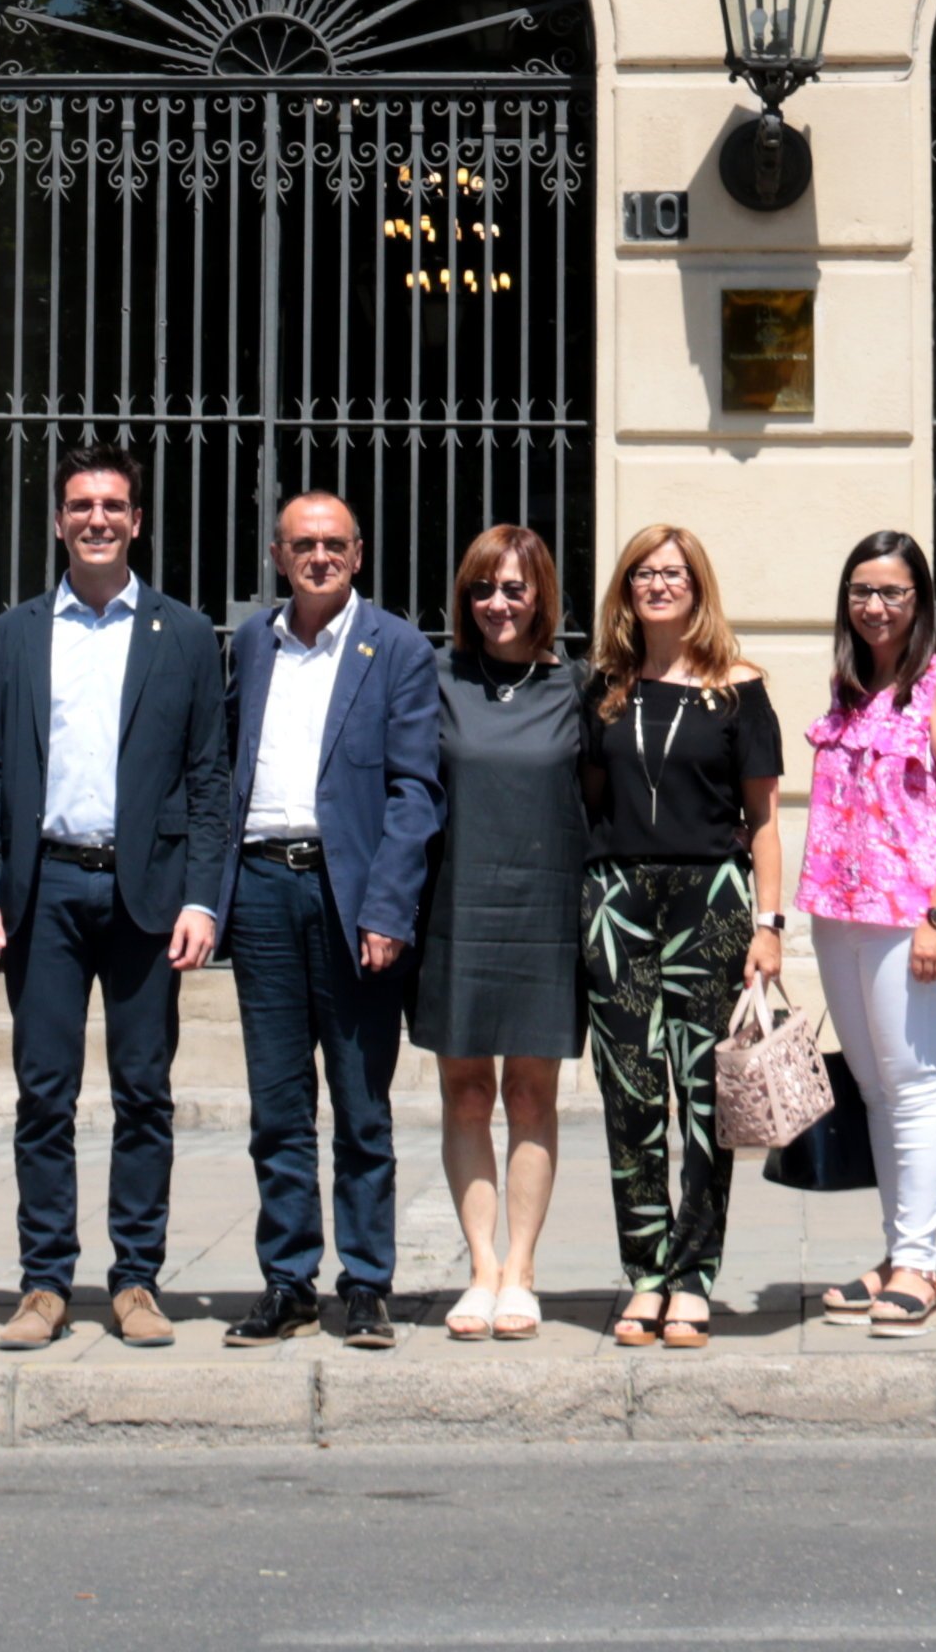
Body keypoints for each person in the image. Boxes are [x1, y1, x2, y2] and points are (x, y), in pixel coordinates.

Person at [0, 440, 234, 1352]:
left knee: (144, 1092)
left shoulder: (185, 635)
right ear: (59, 520)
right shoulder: (17, 633)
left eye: (113, 505)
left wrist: (204, 900)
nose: (98, 520)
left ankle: (136, 1281)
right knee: (43, 1093)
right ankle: (43, 1284)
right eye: (81, 505)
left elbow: (208, 779)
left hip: (147, 895)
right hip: (43, 889)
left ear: (137, 520)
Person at [216, 492, 442, 1351]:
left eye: (334, 545)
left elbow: (415, 792)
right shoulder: (251, 644)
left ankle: (368, 1282)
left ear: (359, 553)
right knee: (275, 1104)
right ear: (278, 555)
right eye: (303, 545)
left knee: (359, 1105)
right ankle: (288, 1280)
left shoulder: (399, 649)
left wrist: (389, 906)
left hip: (351, 903)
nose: (319, 557)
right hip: (264, 890)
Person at [577, 524, 787, 1352]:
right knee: (630, 1094)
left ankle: (694, 1276)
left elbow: (765, 823)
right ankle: (647, 1274)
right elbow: (593, 801)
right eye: (643, 574)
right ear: (626, 589)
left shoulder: (740, 689)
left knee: (706, 1096)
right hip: (618, 900)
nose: (659, 585)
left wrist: (769, 926)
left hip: (713, 901)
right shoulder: (605, 688)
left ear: (698, 587)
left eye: (674, 573)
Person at [797, 529, 936, 1338]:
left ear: (921, 602)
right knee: (873, 1088)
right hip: (836, 913)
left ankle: (920, 1261)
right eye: (862, 592)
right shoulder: (849, 686)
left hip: (907, 916)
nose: (876, 607)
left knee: (912, 1083)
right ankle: (894, 1253)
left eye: (893, 593)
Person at [414, 524, 589, 1342]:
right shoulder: (437, 678)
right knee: (467, 1092)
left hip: (545, 914)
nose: (498, 604)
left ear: (542, 596)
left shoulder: (577, 688)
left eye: (514, 588)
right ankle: (479, 1267)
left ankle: (522, 1270)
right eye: (483, 588)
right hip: (457, 911)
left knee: (529, 1094)